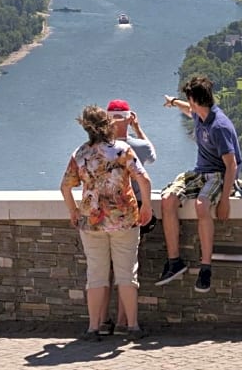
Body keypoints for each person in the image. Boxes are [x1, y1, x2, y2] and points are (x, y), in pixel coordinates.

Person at [60, 105, 152, 342]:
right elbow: (143, 178)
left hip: (91, 221)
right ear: (107, 125)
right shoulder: (122, 150)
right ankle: (132, 326)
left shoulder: (79, 154)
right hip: (124, 219)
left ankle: (94, 327)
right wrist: (146, 207)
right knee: (126, 273)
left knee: (96, 275)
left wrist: (73, 212)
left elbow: (65, 187)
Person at [157, 75, 241, 294]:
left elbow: (232, 165)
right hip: (200, 172)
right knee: (167, 199)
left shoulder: (218, 126)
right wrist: (173, 102)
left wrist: (224, 201)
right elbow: (189, 111)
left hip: (219, 174)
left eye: (189, 99)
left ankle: (205, 268)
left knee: (202, 205)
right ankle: (175, 261)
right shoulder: (200, 114)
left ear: (195, 99)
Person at [102, 98, 157, 335]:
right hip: (130, 213)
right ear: (129, 118)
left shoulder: (97, 147)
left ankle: (102, 323)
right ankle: (125, 322)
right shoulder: (137, 147)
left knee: (101, 271)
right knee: (126, 270)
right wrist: (137, 127)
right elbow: (152, 155)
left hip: (100, 214)